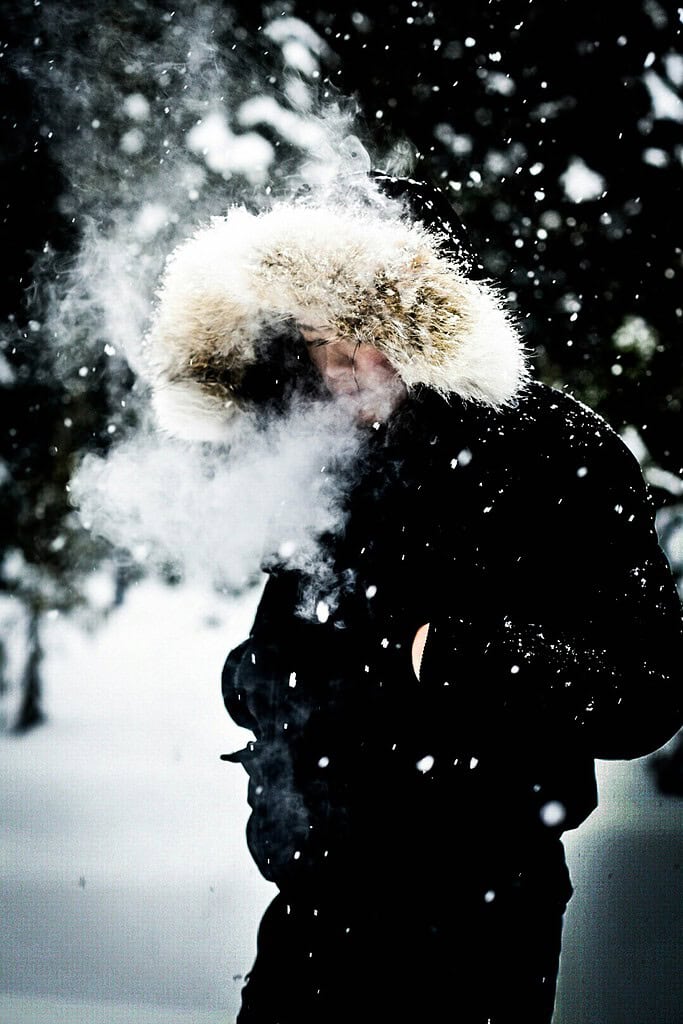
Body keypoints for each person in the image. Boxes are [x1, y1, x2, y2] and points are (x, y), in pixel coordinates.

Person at [145, 172, 683, 1023]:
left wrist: (456, 655)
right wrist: (257, 680)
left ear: (431, 323)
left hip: (476, 925)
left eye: (370, 333)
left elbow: (645, 695)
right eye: (319, 337)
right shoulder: (321, 454)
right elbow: (287, 644)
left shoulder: (554, 452)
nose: (344, 367)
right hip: (310, 912)